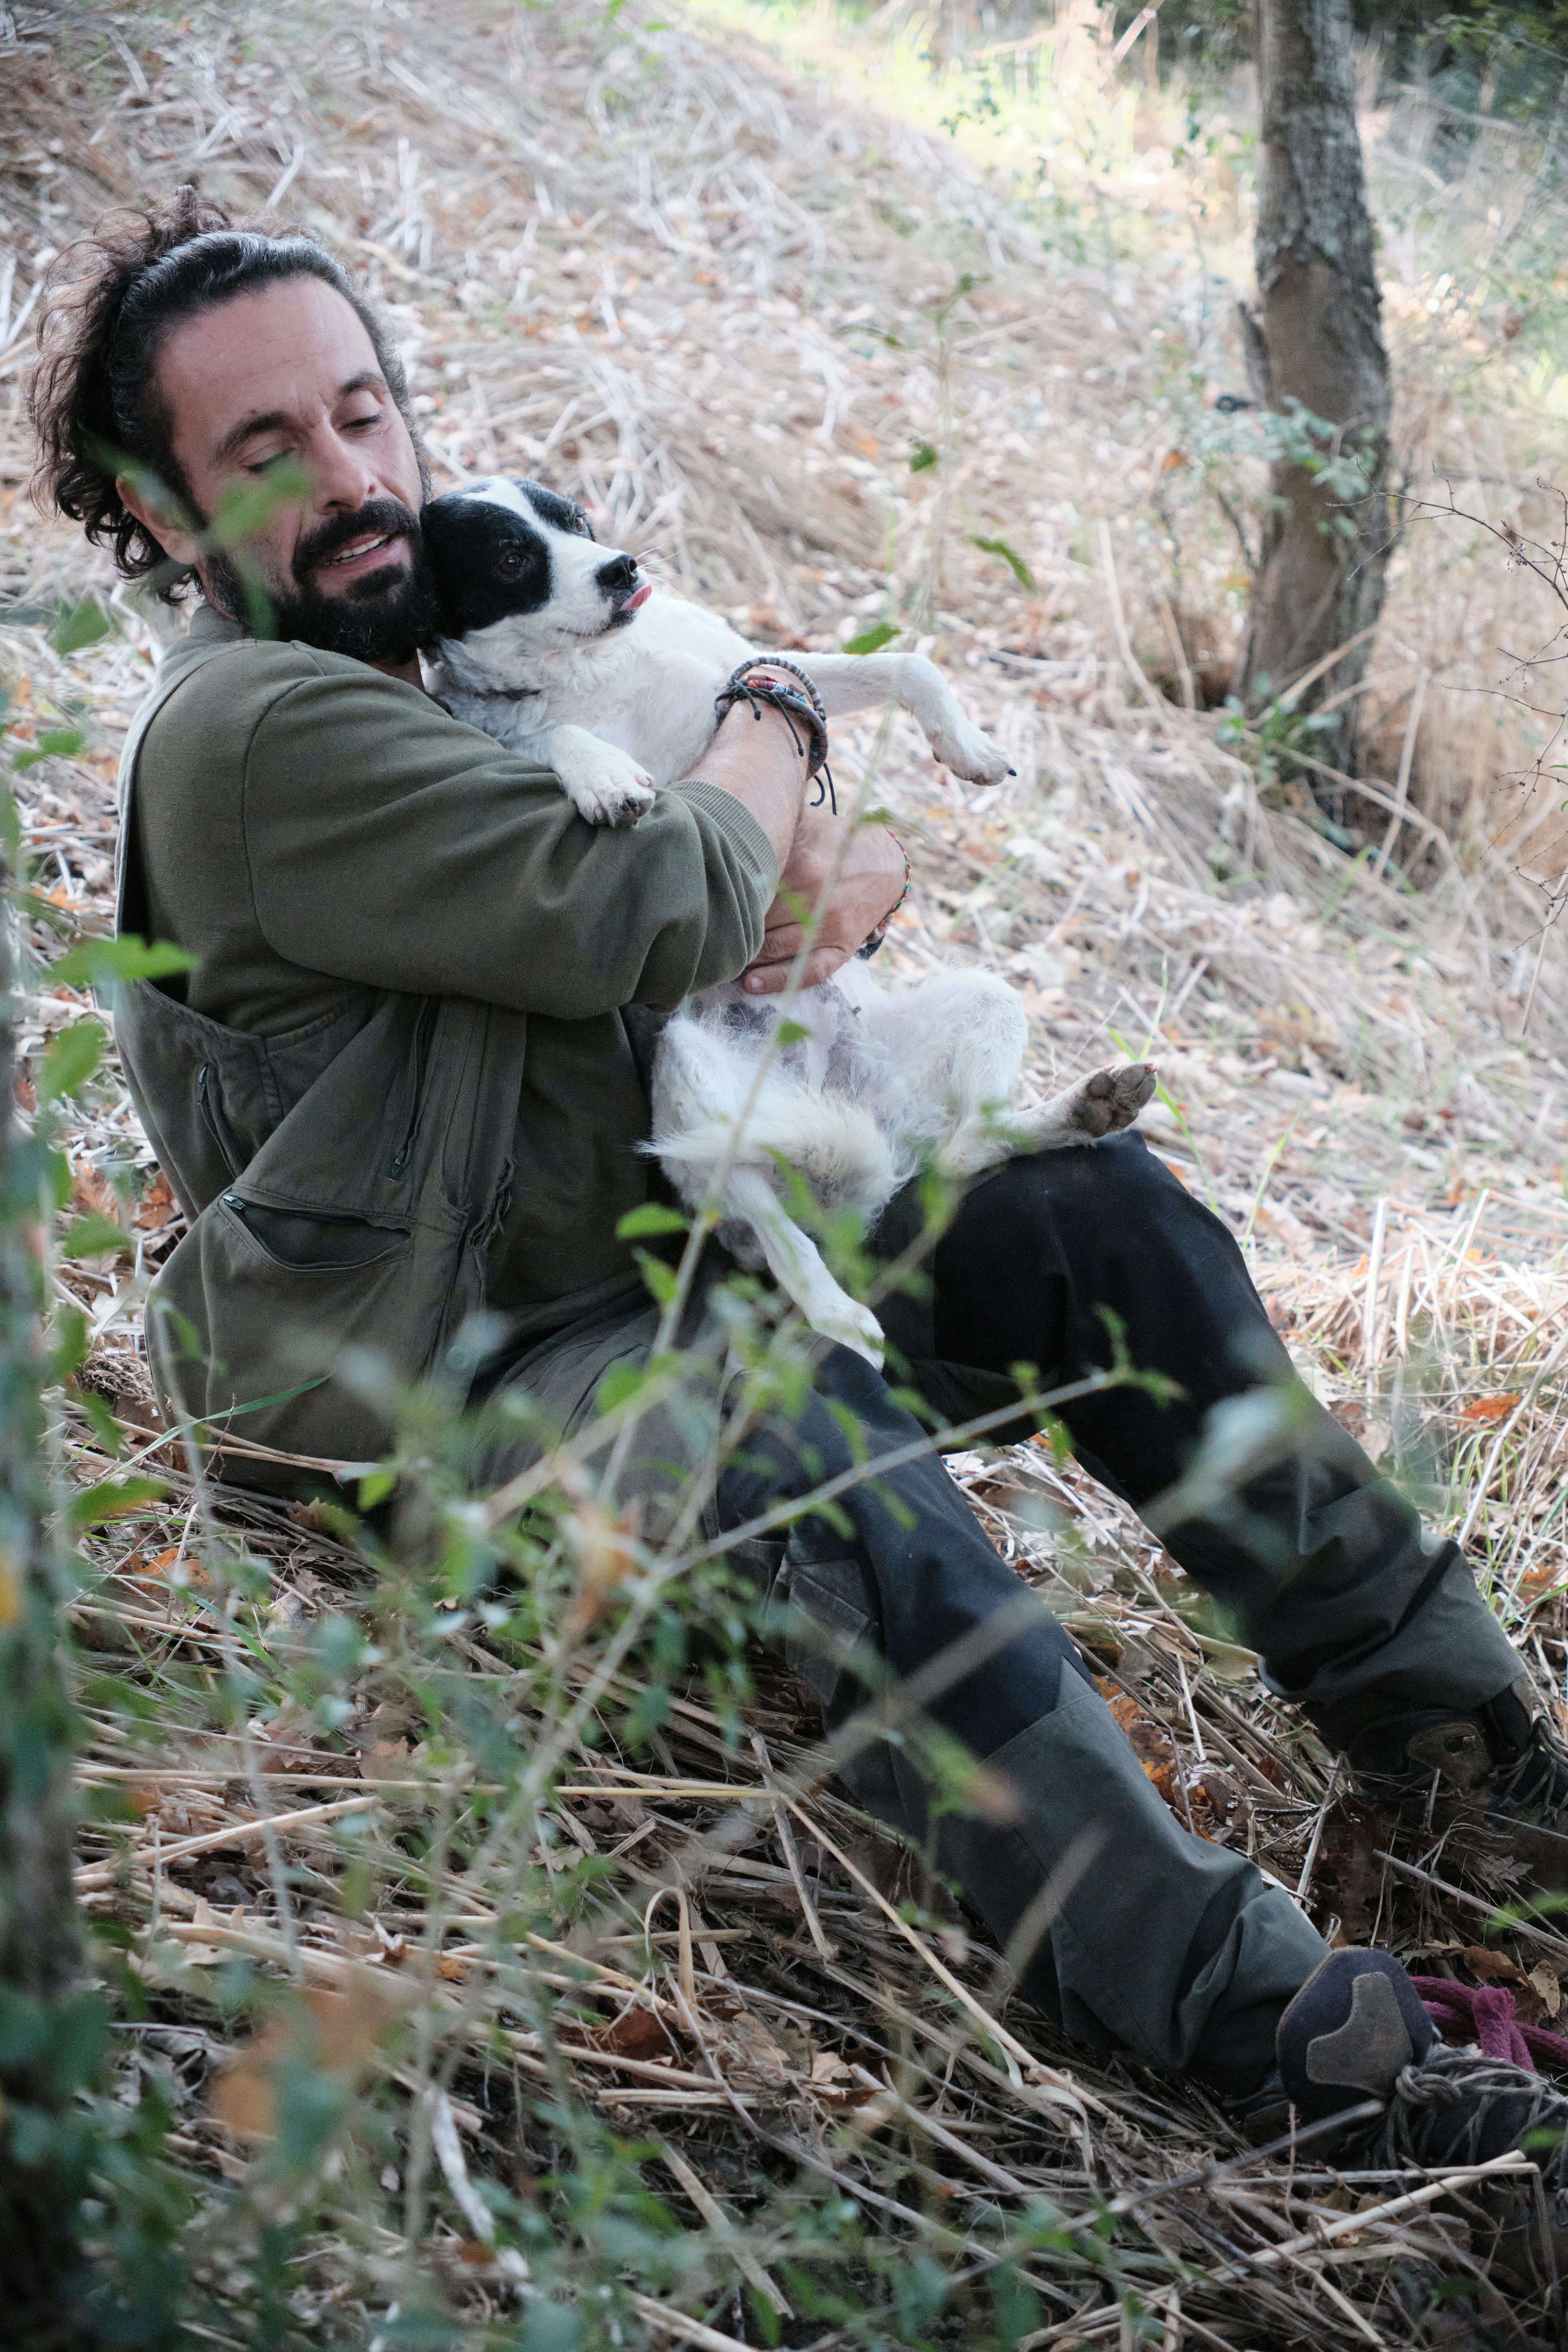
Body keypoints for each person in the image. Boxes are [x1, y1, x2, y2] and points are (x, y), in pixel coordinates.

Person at [27, 195, 1568, 2261]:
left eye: (365, 411)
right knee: (805, 1451)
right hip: (462, 1368)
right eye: (264, 453)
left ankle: (1459, 1746)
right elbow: (659, 899)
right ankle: (1276, 2030)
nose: (352, 479)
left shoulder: (449, 643)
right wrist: (783, 707)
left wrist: (820, 852)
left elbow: (791, 884)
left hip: (663, 1247)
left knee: (1096, 1218)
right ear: (163, 521)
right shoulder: (258, 729)